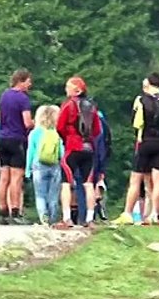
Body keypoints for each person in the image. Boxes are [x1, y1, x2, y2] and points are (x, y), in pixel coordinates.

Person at [116, 74, 159, 226]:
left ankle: (127, 213)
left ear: (149, 84)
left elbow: (137, 123)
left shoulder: (141, 100)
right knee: (158, 181)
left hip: (145, 142)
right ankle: (155, 215)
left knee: (136, 180)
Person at [56, 77, 104, 228]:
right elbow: (97, 130)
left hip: (72, 147)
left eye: (68, 87)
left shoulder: (68, 105)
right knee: (88, 183)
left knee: (66, 182)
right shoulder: (92, 107)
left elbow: (59, 126)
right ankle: (90, 219)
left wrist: (68, 138)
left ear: (77, 89)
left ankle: (66, 217)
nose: (66, 90)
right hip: (88, 148)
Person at [0, 70, 34, 225]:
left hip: (3, 138)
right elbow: (27, 122)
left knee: (3, 177)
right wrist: (35, 124)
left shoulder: (4, 95)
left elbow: (0, 116)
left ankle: (2, 212)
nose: (30, 84)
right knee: (16, 178)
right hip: (17, 139)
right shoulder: (23, 98)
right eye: (28, 81)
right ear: (21, 81)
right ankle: (16, 212)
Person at [26, 104, 63, 225]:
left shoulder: (34, 133)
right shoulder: (57, 133)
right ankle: (52, 219)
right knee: (53, 195)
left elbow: (30, 152)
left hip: (38, 165)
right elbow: (61, 151)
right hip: (54, 165)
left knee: (40, 194)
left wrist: (28, 169)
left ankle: (44, 218)